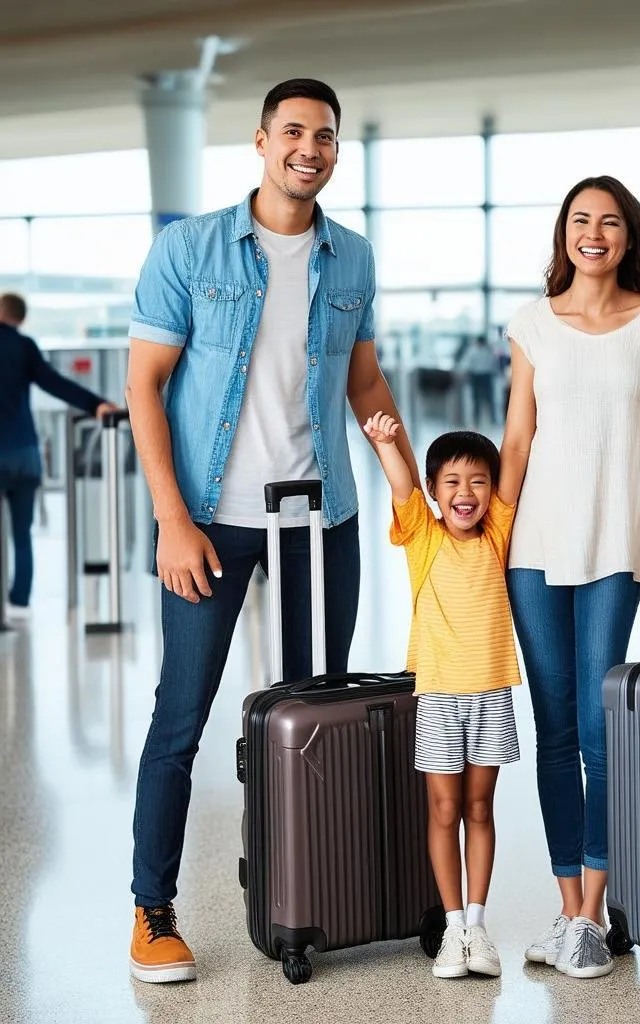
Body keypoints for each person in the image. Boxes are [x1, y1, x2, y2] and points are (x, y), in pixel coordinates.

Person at [124, 78, 416, 984]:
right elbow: (144, 387)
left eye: (326, 136)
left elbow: (365, 387)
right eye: (294, 131)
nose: (310, 148)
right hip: (212, 523)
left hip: (320, 520)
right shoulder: (191, 247)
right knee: (183, 717)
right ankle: (152, 909)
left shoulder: (353, 258)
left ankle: (307, 890)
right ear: (260, 141)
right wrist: (173, 521)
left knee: (319, 714)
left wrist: (407, 486)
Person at [500, 175, 640, 979]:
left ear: (629, 237)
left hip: (617, 544)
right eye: (581, 220)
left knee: (596, 726)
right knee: (552, 730)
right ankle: (568, 911)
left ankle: (596, 908)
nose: (594, 233)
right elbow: (517, 438)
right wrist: (495, 534)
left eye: (609, 222)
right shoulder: (531, 325)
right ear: (564, 235)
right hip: (533, 546)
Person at [363, 412, 520, 980]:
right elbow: (400, 485)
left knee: (480, 809)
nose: (465, 493)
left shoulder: (498, 533)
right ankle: (453, 926)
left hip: (490, 695)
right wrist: (385, 444)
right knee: (443, 809)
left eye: (478, 481)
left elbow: (517, 452)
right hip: (437, 697)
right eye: (452, 482)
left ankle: (477, 926)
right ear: (435, 491)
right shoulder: (423, 536)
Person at [0, 293, 118, 617]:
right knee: (22, 534)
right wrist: (96, 404)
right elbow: (55, 384)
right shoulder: (24, 348)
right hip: (24, 454)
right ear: (20, 319)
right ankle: (19, 602)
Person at [458, 335, 500, 426]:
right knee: (489, 400)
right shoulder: (489, 351)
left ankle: (477, 420)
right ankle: (493, 420)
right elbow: (495, 365)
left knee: (477, 400)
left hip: (476, 377)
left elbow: (466, 365)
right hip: (487, 377)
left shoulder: (473, 351)